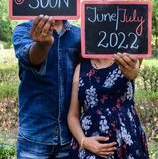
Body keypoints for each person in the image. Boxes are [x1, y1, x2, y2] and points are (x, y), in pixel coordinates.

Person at [13, 15, 141, 159]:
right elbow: (32, 59)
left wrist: (133, 73)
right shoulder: (24, 30)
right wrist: (42, 45)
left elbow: (99, 75)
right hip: (35, 135)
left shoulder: (79, 36)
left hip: (69, 138)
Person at [68, 57, 149, 159]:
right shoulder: (81, 68)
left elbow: (134, 71)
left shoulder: (126, 61)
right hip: (91, 146)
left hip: (127, 143)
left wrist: (134, 69)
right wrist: (84, 141)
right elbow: (73, 115)